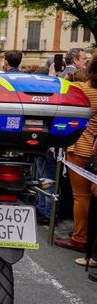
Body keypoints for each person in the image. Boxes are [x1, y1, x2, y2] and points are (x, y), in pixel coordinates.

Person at [55, 54, 97, 252]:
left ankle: (80, 237)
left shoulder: (82, 91)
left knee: (81, 196)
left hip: (81, 146)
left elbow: (60, 91)